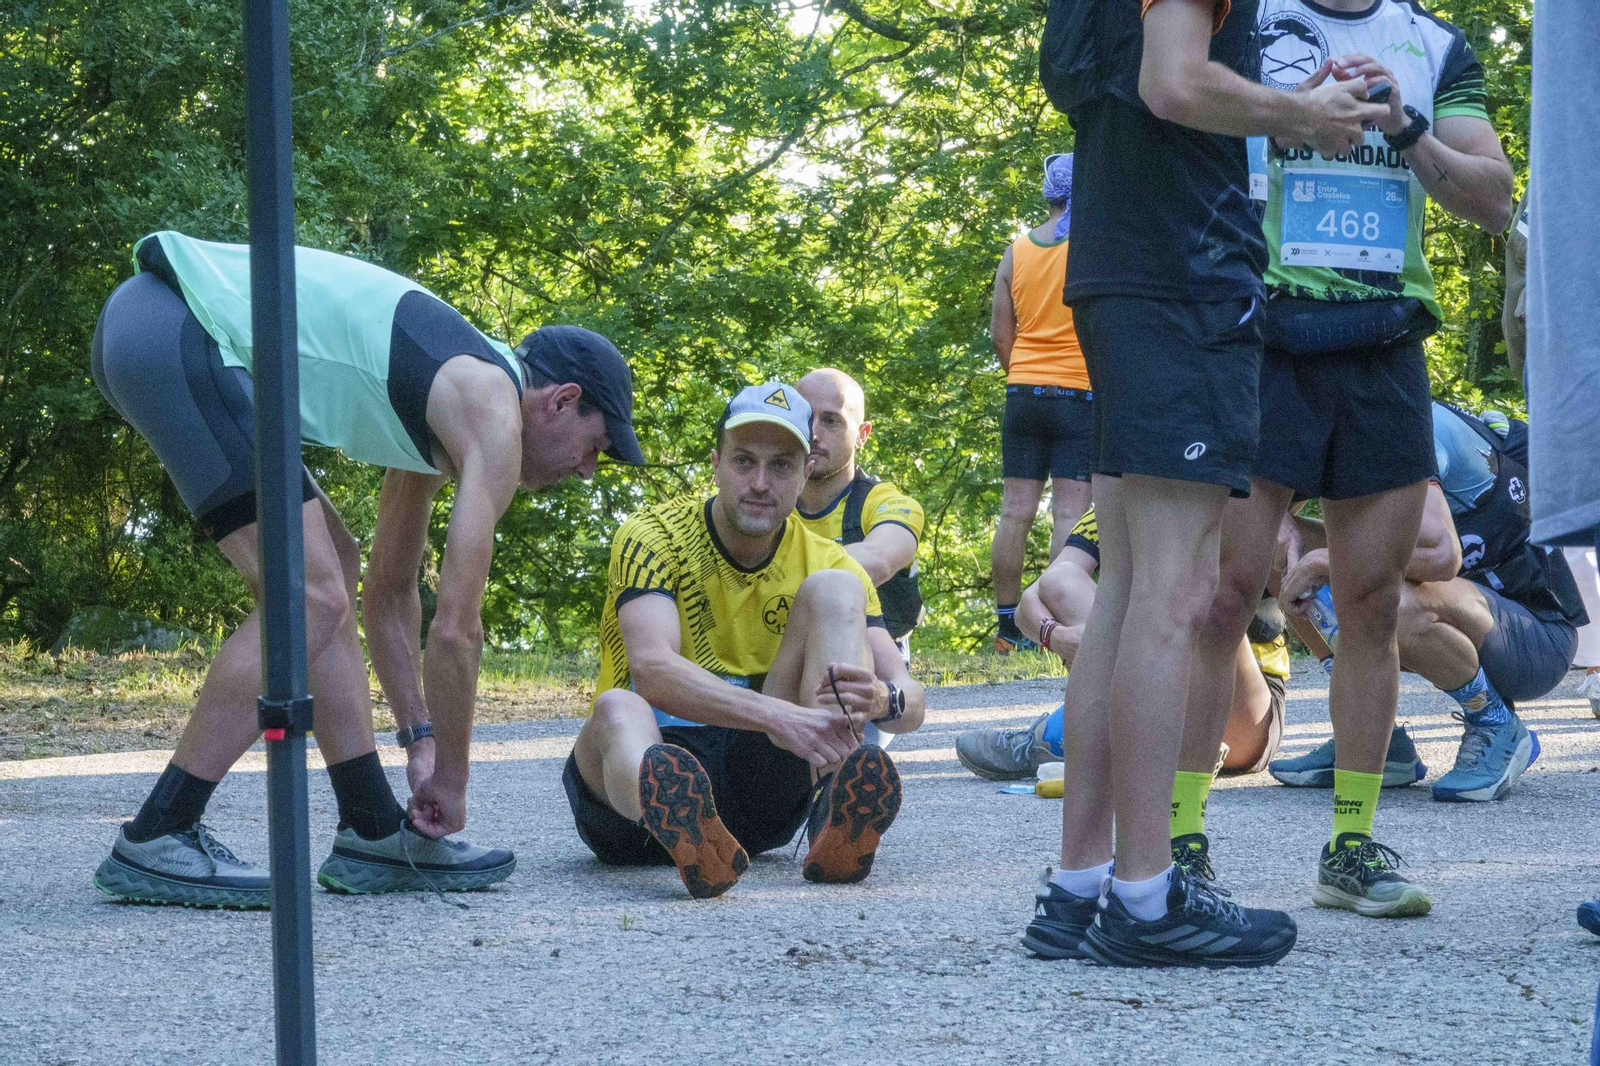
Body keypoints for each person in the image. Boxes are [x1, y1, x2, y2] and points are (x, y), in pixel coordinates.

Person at [89, 230, 645, 908]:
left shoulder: (449, 405)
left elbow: (389, 592)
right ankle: (160, 831)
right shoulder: (493, 412)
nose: (588, 470)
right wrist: (454, 782)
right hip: (178, 327)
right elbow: (457, 631)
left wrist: (421, 737)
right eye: (598, 446)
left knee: (335, 566)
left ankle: (372, 826)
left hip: (157, 329)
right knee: (311, 592)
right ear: (560, 400)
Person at [1023, 0, 1382, 968]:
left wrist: (1275, 101)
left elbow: (1128, 81)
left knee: (1130, 590)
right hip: (1181, 277)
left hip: (1116, 267)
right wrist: (1303, 118)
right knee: (1173, 594)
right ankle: (1145, 896)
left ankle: (1080, 884)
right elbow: (1173, 83)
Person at [1171, 0, 1513, 922]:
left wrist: (1406, 127)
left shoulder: (1436, 44)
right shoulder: (1244, 20)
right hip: (1261, 337)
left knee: (1367, 603)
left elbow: (1493, 196)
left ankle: (1351, 846)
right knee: (1223, 596)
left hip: (1383, 344)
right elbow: (1174, 113)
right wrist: (1289, 114)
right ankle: (1178, 844)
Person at [564, 383, 926, 899]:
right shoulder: (652, 535)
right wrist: (779, 716)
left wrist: (884, 698)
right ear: (715, 464)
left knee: (836, 587)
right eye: (743, 461)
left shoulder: (829, 559)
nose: (760, 483)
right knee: (619, 707)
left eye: (781, 466)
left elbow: (911, 702)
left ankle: (832, 811)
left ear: (805, 475)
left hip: (760, 788)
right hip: (632, 792)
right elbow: (652, 670)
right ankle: (677, 822)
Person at [1270, 402, 1588, 803]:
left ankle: (1495, 723)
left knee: (1391, 597)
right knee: (1267, 544)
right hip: (1465, 605)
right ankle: (1368, 728)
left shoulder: (1399, 423)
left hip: (1534, 639)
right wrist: (1277, 519)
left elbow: (1441, 557)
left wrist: (1328, 561)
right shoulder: (1322, 418)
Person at [956, 505, 1291, 792]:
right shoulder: (1117, 500)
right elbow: (1032, 600)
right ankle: (1124, 738)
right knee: (1061, 581)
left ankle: (1064, 737)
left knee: (1190, 587)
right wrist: (1056, 637)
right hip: (1159, 675)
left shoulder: (1235, 497)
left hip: (1246, 713)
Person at [988, 153, 1092, 653]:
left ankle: (1008, 626)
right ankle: (1056, 623)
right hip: (1081, 393)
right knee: (1070, 516)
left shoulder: (1017, 250)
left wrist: (1025, 374)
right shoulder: (1094, 245)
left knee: (1015, 513)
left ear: (1048, 194)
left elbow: (999, 333)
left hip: (1023, 392)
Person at [793, 368, 926, 687]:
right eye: (805, 416)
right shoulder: (766, 502)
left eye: (831, 420)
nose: (813, 432)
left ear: (862, 434)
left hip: (868, 678)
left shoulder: (888, 503)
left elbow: (877, 560)